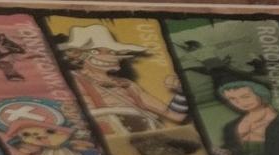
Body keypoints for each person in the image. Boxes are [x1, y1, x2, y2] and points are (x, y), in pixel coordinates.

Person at [56, 24, 188, 135]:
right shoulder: (71, 80)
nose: (107, 56)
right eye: (96, 51)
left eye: (112, 52)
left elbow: (175, 115)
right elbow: (73, 117)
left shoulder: (127, 85)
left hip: (146, 138)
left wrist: (181, 91)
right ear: (78, 55)